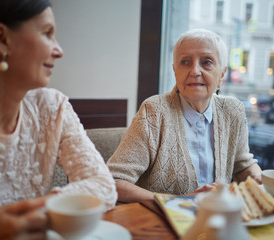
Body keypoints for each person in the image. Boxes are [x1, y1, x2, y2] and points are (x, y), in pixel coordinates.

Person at [0, 0, 117, 236]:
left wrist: (5, 214)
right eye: (47, 33)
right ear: (2, 38)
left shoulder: (52, 107)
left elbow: (104, 185)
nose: (59, 50)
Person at [107, 28, 262, 203]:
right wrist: (178, 202)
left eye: (207, 62)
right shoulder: (154, 111)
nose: (195, 71)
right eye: (185, 62)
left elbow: (243, 165)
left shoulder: (234, 110)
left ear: (222, 75)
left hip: (219, 218)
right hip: (164, 223)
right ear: (175, 72)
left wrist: (259, 178)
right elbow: (113, 182)